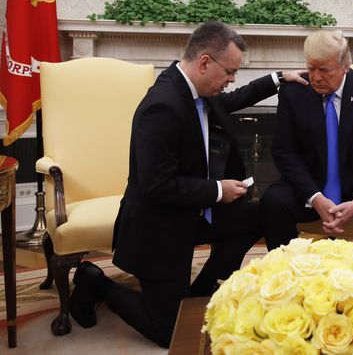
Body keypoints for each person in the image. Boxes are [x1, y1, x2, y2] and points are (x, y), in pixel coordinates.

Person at [68, 21, 307, 348]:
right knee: (169, 332)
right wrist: (219, 190)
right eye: (230, 72)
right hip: (158, 229)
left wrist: (278, 79)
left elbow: (232, 99)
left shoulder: (197, 90)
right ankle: (96, 283)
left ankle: (200, 293)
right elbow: (158, 185)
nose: (232, 80)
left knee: (261, 212)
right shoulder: (163, 106)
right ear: (205, 62)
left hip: (193, 216)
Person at [261, 29, 353, 257]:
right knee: (274, 201)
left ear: (345, 65)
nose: (316, 77)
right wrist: (316, 197)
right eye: (311, 68)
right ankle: (286, 274)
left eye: (324, 70)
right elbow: (284, 151)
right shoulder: (293, 93)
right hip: (312, 183)